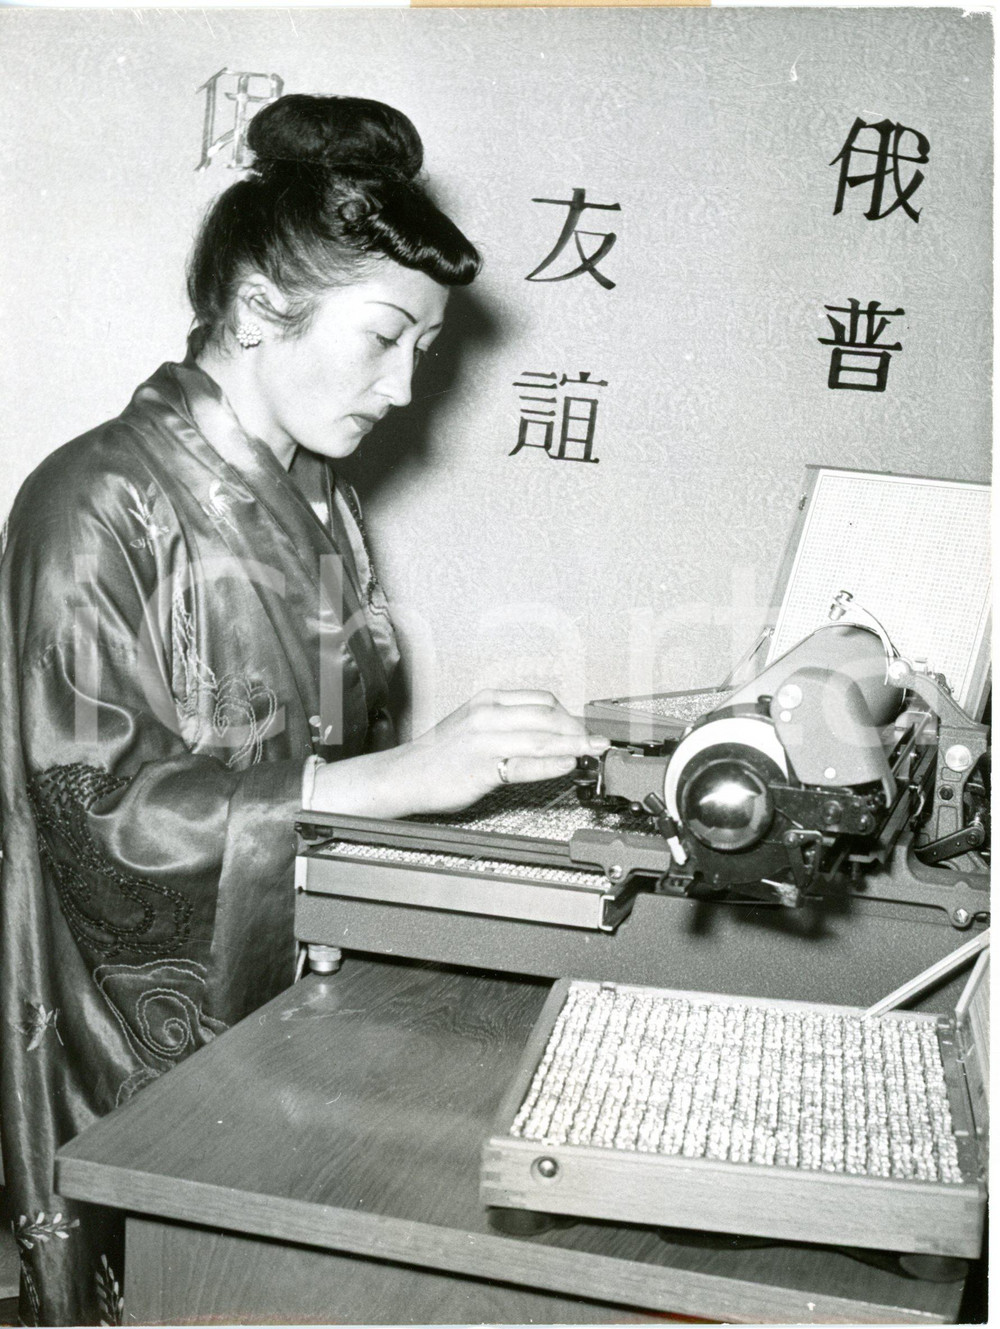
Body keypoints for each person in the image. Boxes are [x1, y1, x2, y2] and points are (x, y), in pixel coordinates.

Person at [0, 93, 606, 1326]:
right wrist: (381, 789)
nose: (402, 388)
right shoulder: (88, 503)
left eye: (424, 353)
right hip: (131, 1019)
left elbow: (347, 740)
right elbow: (95, 817)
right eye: (385, 337)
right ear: (260, 304)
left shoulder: (321, 503)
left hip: (286, 983)